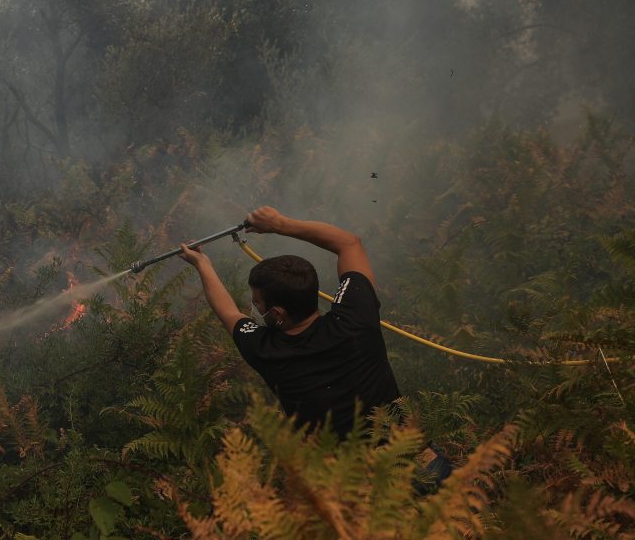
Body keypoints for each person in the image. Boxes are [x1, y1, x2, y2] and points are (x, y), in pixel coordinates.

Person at [179, 205, 450, 482]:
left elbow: (229, 313)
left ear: (278, 313)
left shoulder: (267, 351)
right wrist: (279, 223)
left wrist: (202, 264)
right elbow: (348, 243)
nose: (253, 306)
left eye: (257, 302)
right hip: (424, 466)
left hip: (364, 491)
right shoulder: (356, 317)